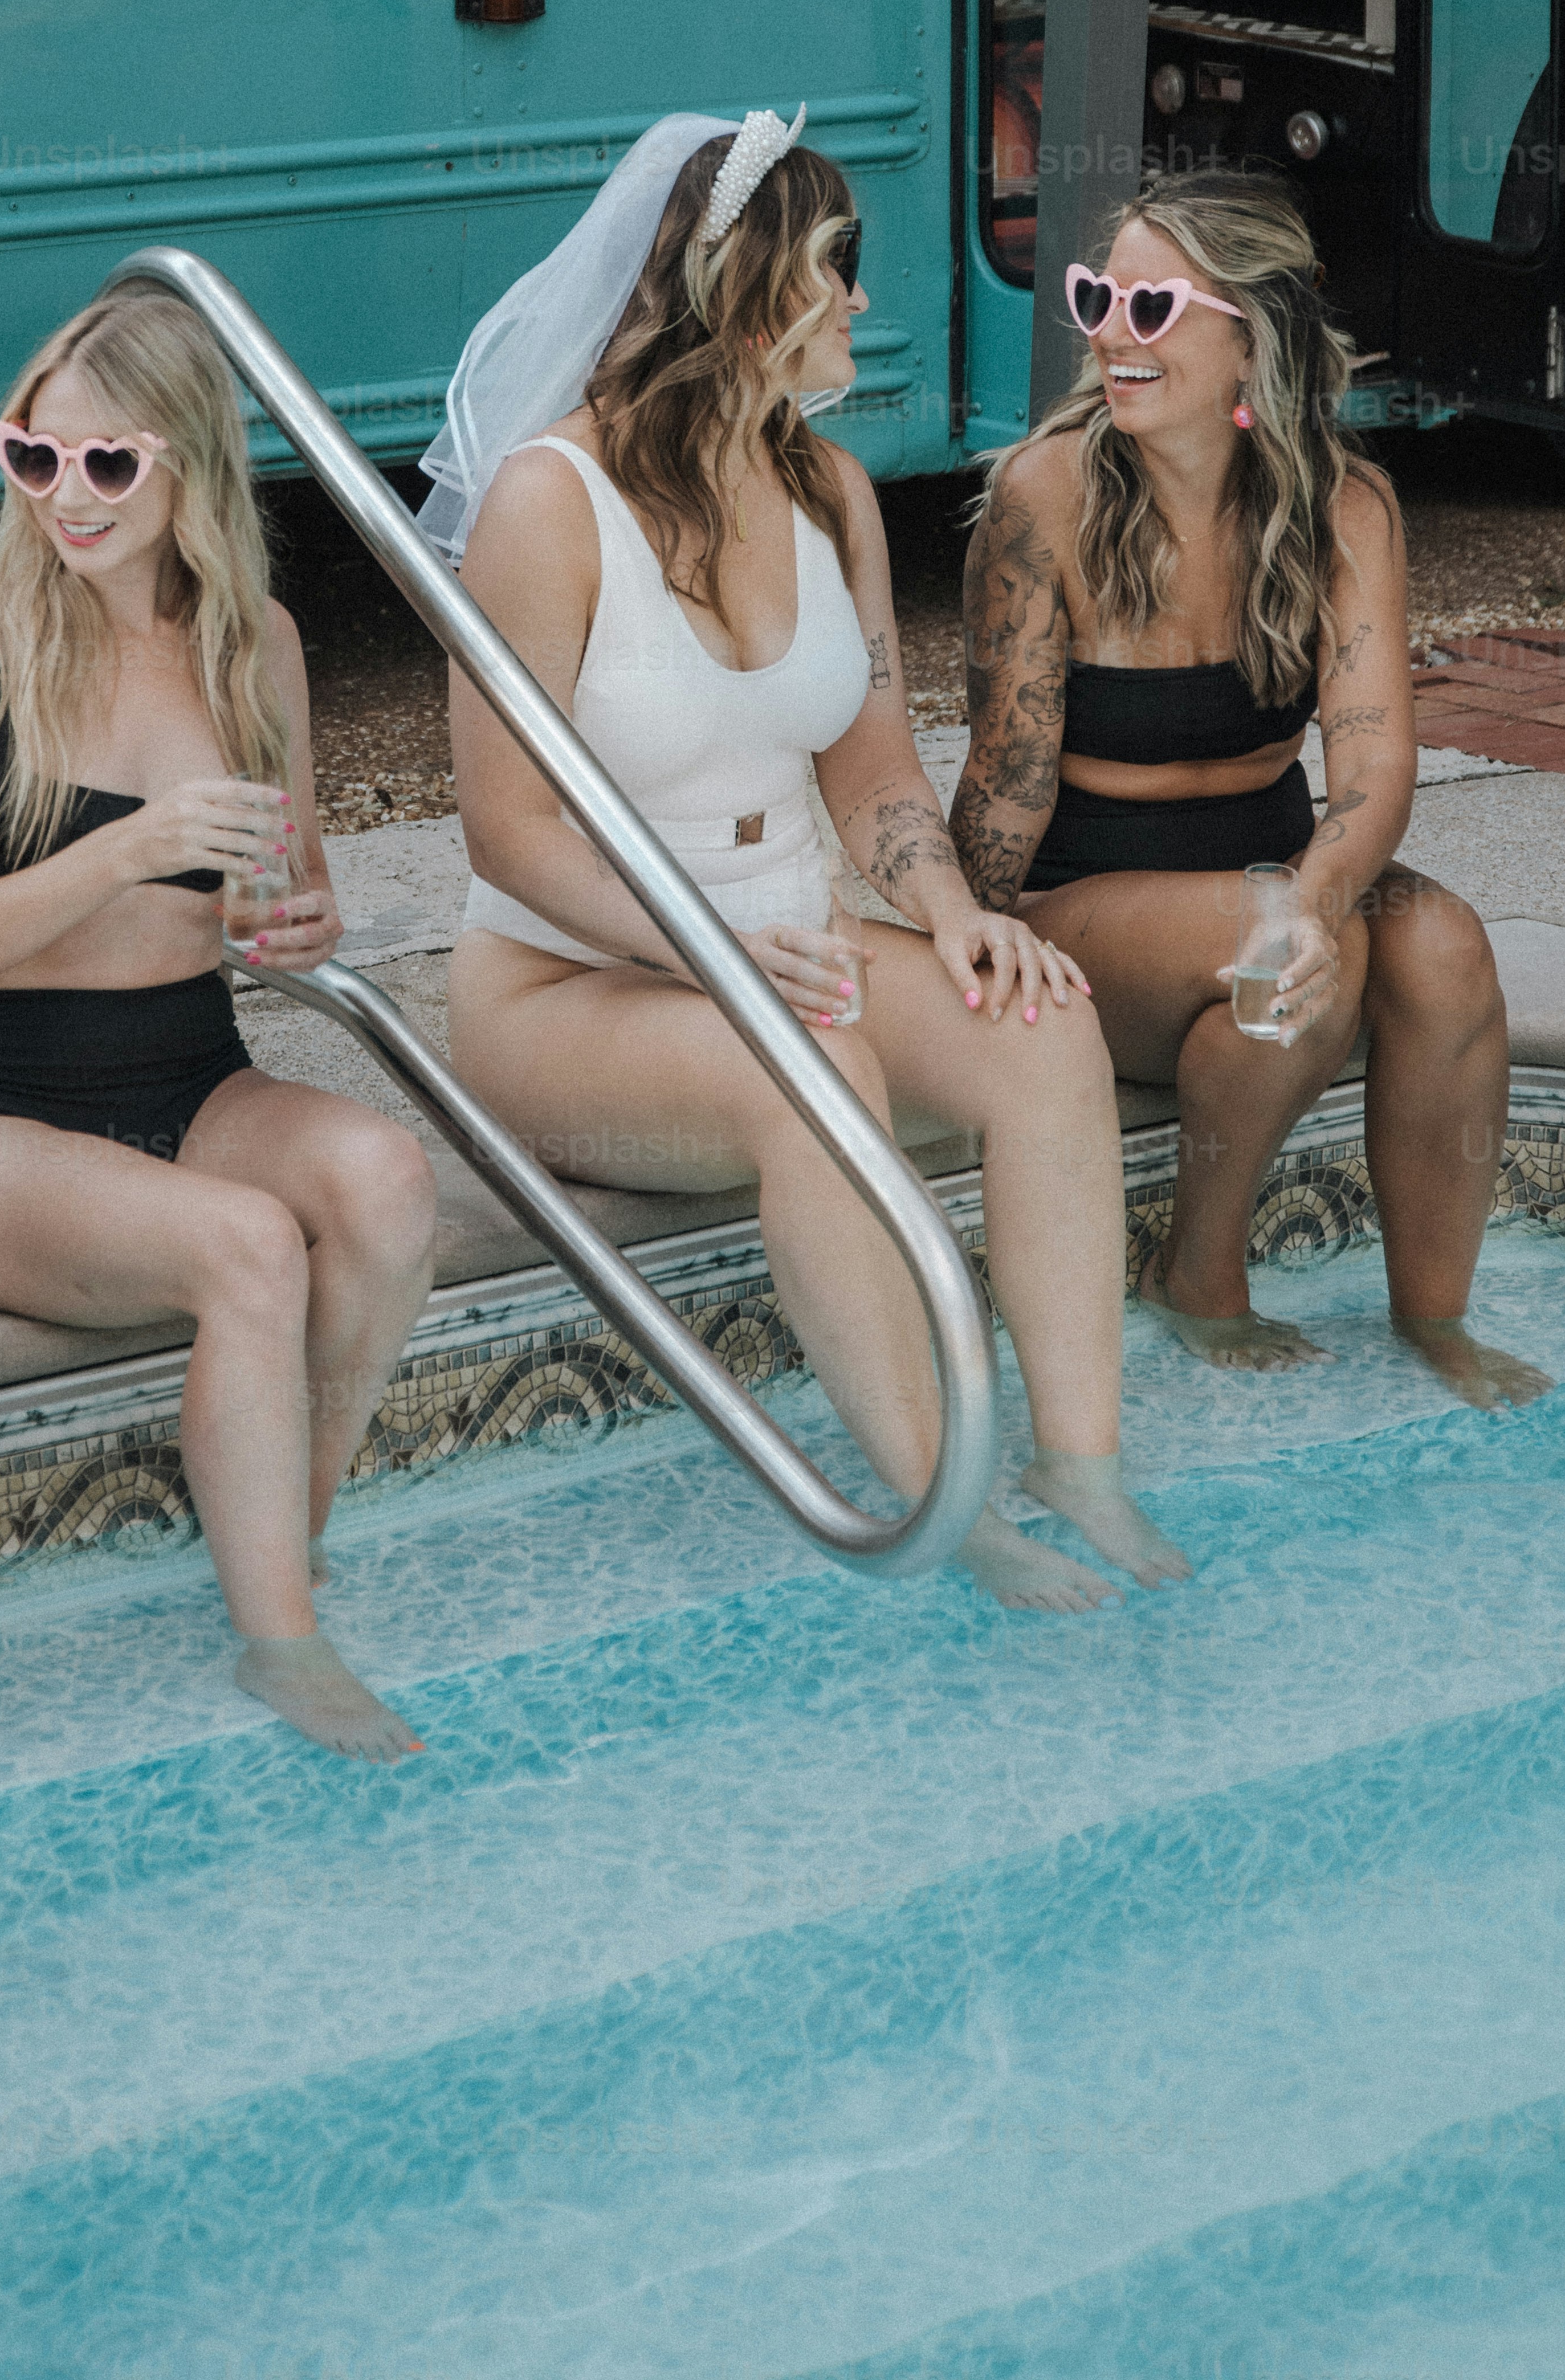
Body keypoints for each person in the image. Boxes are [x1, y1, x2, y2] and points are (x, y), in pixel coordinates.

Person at [425, 110, 1188, 1611]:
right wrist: (702, 950)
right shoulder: (547, 502)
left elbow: (872, 761)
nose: (855, 302)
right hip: (568, 984)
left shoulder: (826, 489)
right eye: (835, 269)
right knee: (818, 1066)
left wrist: (953, 913)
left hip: (791, 951)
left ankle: (1077, 1459)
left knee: (1043, 1022)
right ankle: (938, 1496)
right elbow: (504, 829)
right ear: (742, 287)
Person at [0, 278, 437, 1760]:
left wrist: (302, 918)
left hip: (189, 1069)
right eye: (31, 454)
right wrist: (121, 847)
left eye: (107, 460)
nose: (67, 492)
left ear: (184, 459)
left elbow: (280, 891)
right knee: (247, 1244)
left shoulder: (255, 642)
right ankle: (282, 1647)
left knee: (386, 1183)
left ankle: (279, 1533)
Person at [952, 170, 1546, 1410]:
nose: (1110, 333)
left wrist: (1315, 900)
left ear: (1251, 338)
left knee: (1438, 944)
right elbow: (1002, 786)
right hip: (1086, 906)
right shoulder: (1044, 498)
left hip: (1261, 884)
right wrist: (959, 955)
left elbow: (1376, 765)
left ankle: (1433, 1315)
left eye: (1151, 306)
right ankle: (1199, 1275)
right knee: (1278, 955)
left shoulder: (1343, 502)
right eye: (1096, 297)